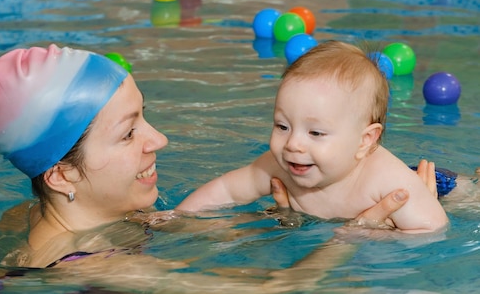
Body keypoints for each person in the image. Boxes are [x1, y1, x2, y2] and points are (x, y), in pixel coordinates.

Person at [0, 43, 436, 294]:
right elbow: (271, 292)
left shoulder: (23, 215)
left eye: (145, 118)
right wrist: (351, 236)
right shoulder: (95, 268)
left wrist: (273, 222)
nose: (159, 140)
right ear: (60, 175)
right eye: (128, 133)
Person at [176, 40, 449, 234]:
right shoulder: (280, 165)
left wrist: (376, 235)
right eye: (282, 126)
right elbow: (226, 190)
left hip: (437, 186)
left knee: (468, 195)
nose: (293, 144)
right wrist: (174, 218)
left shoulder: (390, 184)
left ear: (365, 140)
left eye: (315, 132)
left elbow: (432, 229)